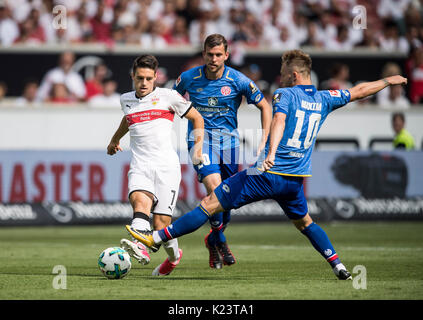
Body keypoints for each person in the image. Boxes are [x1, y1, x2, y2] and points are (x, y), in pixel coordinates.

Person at [127, 49, 408, 280]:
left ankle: (156, 237)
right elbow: (359, 91)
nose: (282, 76)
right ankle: (338, 265)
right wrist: (387, 81)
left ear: (294, 75)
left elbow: (279, 120)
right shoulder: (326, 98)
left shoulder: (284, 95)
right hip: (295, 180)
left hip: (265, 173)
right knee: (305, 223)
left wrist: (269, 150)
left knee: (210, 202)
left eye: (285, 72)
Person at [172, 33, 272, 269]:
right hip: (200, 140)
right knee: (215, 187)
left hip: (230, 145)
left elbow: (264, 106)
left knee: (226, 200)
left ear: (226, 55)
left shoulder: (238, 80)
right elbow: (170, 101)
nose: (214, 58)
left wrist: (265, 139)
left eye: (218, 54)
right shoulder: (188, 78)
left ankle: (213, 239)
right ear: (203, 54)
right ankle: (222, 240)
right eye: (209, 54)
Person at [107, 54, 204, 276]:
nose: (143, 83)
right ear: (132, 76)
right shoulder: (126, 100)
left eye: (148, 79)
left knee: (161, 225)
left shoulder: (169, 97)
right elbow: (127, 119)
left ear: (155, 77)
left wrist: (197, 148)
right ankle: (141, 247)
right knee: (140, 202)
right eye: (139, 78)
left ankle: (173, 258)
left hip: (167, 168)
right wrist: (115, 140)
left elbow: (198, 118)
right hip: (140, 165)